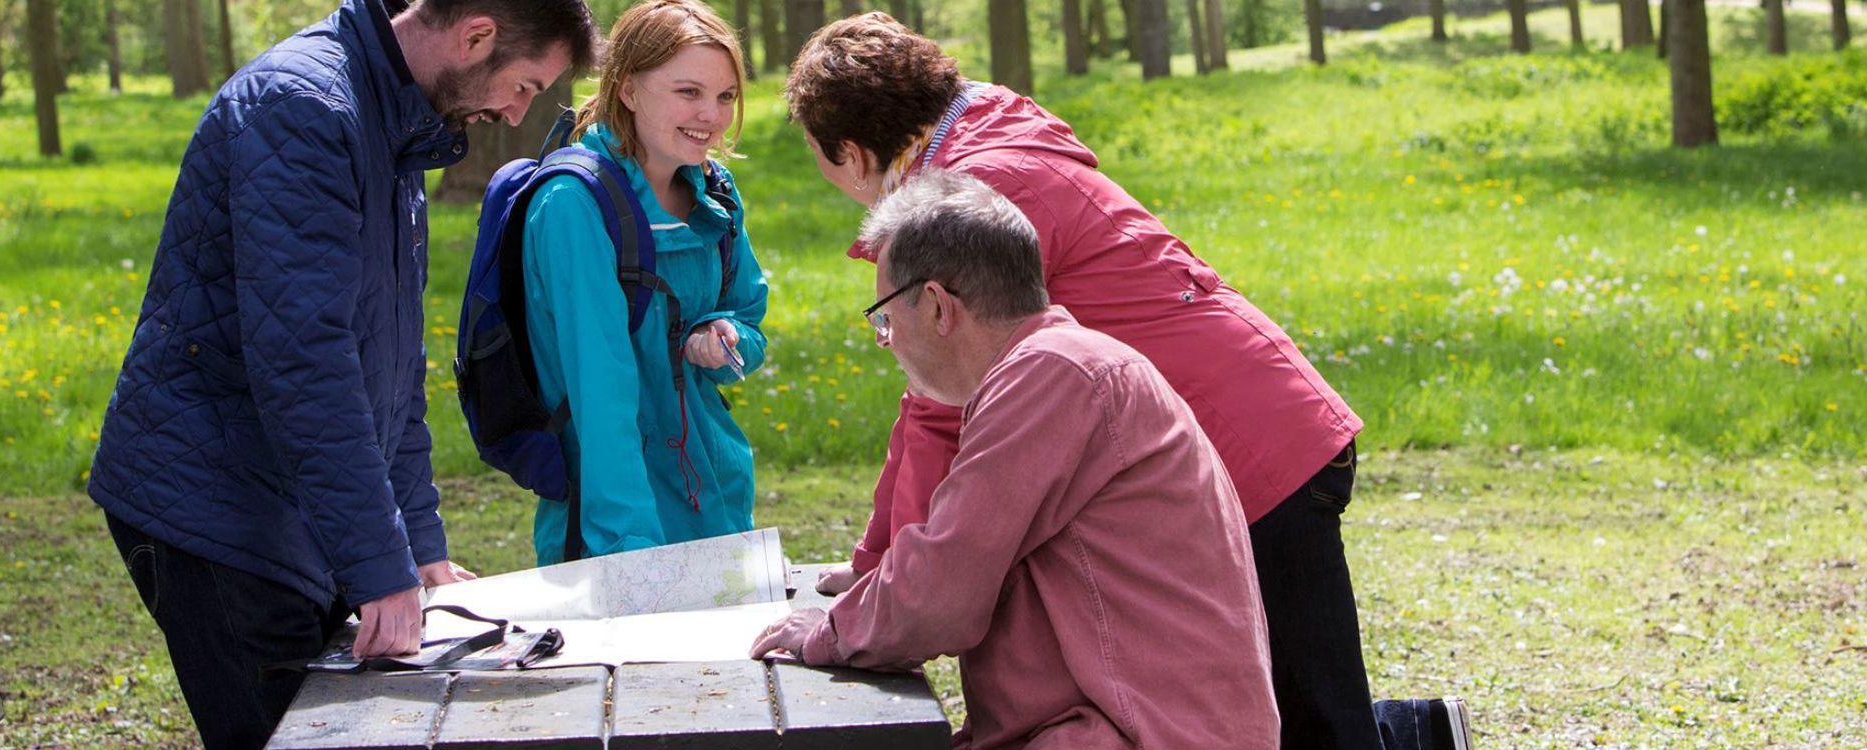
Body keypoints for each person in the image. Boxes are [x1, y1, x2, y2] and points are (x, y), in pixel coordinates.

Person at [785, 13, 1381, 749]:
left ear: (847, 151)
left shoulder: (978, 188)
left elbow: (943, 413)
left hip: (1255, 446)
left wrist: (881, 575)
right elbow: (933, 408)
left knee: (1318, 721)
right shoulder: (992, 134)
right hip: (1254, 419)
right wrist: (880, 563)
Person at [86, 0, 596, 746]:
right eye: (523, 84)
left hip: (293, 506)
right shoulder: (305, 109)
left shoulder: (395, 119)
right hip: (218, 509)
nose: (518, 113)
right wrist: (378, 567)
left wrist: (418, 549)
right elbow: (306, 367)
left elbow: (388, 368)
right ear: (475, 35)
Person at [751, 170, 1279, 749]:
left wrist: (828, 631)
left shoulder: (1052, 374)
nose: (886, 339)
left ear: (935, 307)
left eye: (883, 316)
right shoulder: (1059, 365)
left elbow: (941, 588)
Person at [518, 0, 767, 565]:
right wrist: (630, 555)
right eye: (689, 92)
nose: (712, 115)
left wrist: (723, 336)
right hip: (616, 520)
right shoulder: (573, 206)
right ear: (628, 90)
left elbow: (750, 327)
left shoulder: (717, 192)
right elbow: (598, 397)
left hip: (719, 498)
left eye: (726, 96)